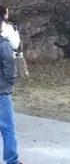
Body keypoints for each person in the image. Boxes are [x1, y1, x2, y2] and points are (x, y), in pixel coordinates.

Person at [0, 19, 23, 164]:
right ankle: (12, 160)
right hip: (1, 92)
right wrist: (10, 82)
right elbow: (10, 66)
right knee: (7, 128)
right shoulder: (4, 45)